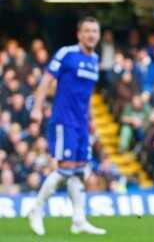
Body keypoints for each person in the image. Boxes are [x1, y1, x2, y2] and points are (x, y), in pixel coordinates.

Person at [27, 17, 106, 236]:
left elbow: (87, 96)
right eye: (87, 31)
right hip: (64, 120)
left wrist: (90, 122)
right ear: (79, 34)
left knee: (79, 171)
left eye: (95, 31)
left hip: (82, 124)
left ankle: (78, 220)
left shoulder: (95, 60)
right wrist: (37, 108)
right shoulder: (67, 54)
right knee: (65, 168)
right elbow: (46, 81)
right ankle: (36, 209)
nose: (91, 35)